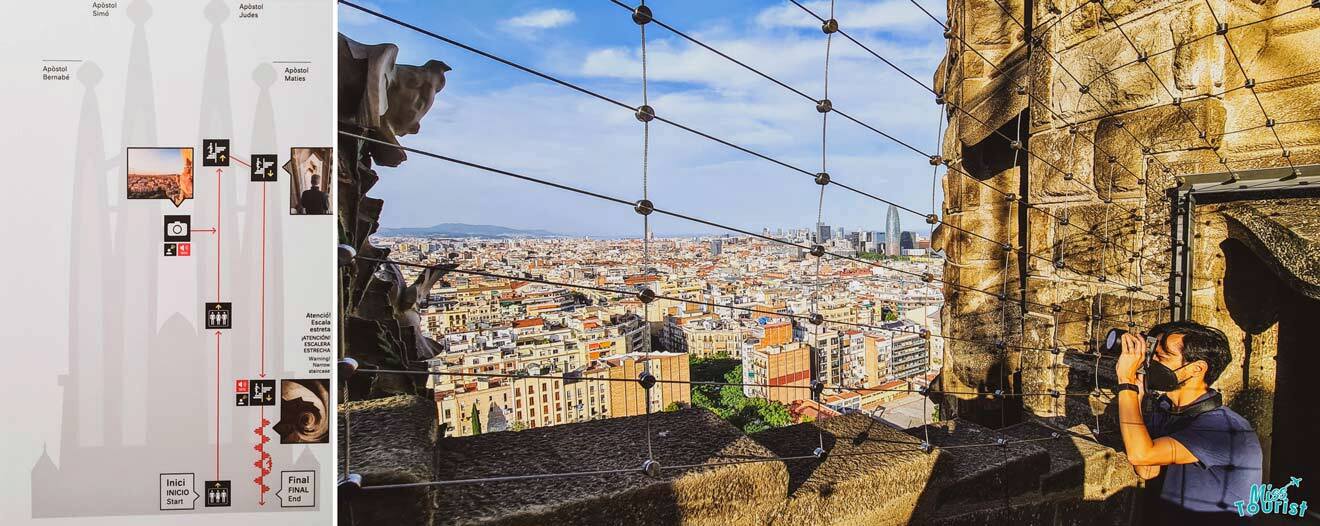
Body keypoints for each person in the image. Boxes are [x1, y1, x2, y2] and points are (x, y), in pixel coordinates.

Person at [1114, 321, 1262, 524]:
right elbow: (1147, 468)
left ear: (1197, 369)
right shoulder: (1168, 410)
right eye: (1152, 354)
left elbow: (1141, 453)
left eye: (1162, 357)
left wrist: (1126, 382)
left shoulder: (1224, 428)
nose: (1150, 362)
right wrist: (1136, 398)